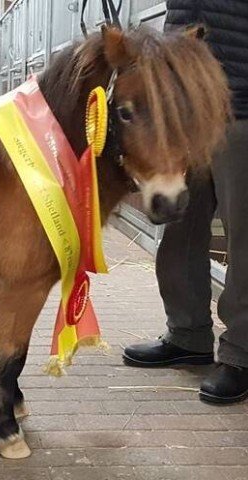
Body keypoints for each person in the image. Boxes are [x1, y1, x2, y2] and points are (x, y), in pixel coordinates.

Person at [123, 0, 248, 404]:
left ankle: (241, 353)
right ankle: (187, 333)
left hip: (242, 106)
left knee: (243, 233)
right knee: (181, 225)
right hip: (187, 109)